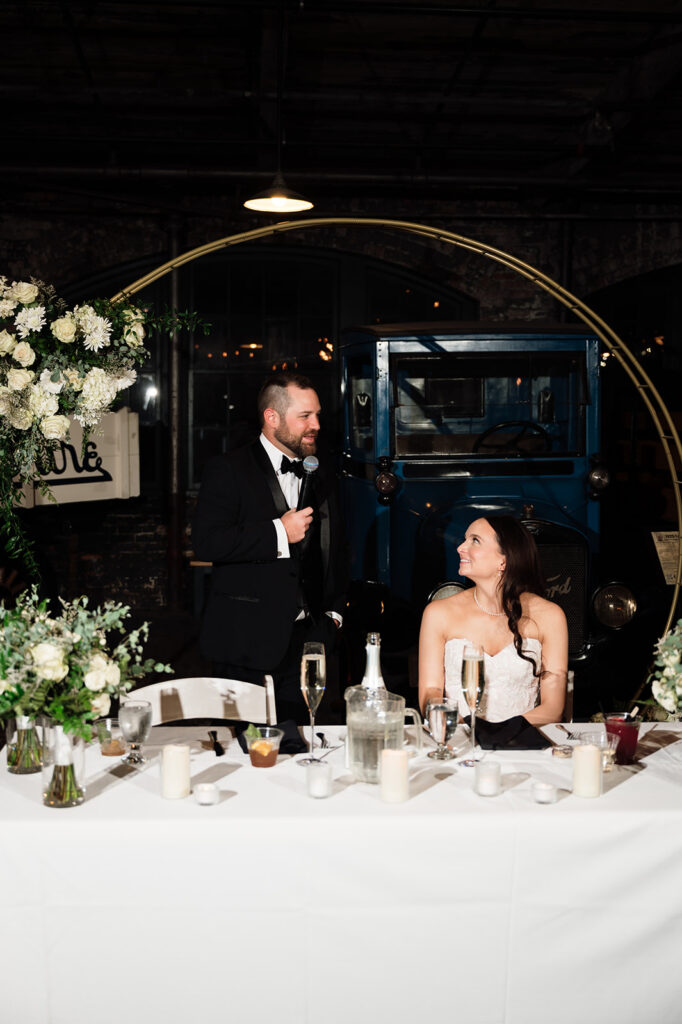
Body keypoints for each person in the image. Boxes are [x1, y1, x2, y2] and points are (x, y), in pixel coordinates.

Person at [192, 371, 347, 723]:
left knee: (305, 743)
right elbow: (207, 542)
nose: (316, 425)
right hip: (246, 645)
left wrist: (334, 616)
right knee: (244, 746)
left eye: (317, 415)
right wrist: (279, 532)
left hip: (310, 644)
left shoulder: (322, 472)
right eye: (305, 416)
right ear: (272, 417)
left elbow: (338, 549)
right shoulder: (228, 469)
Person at [419, 515, 567, 726]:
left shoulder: (549, 616)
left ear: (503, 560)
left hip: (523, 739)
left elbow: (553, 708)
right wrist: (456, 725)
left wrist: (499, 733)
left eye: (475, 540)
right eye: (465, 539)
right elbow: (430, 691)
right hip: (459, 736)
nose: (460, 547)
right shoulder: (438, 613)